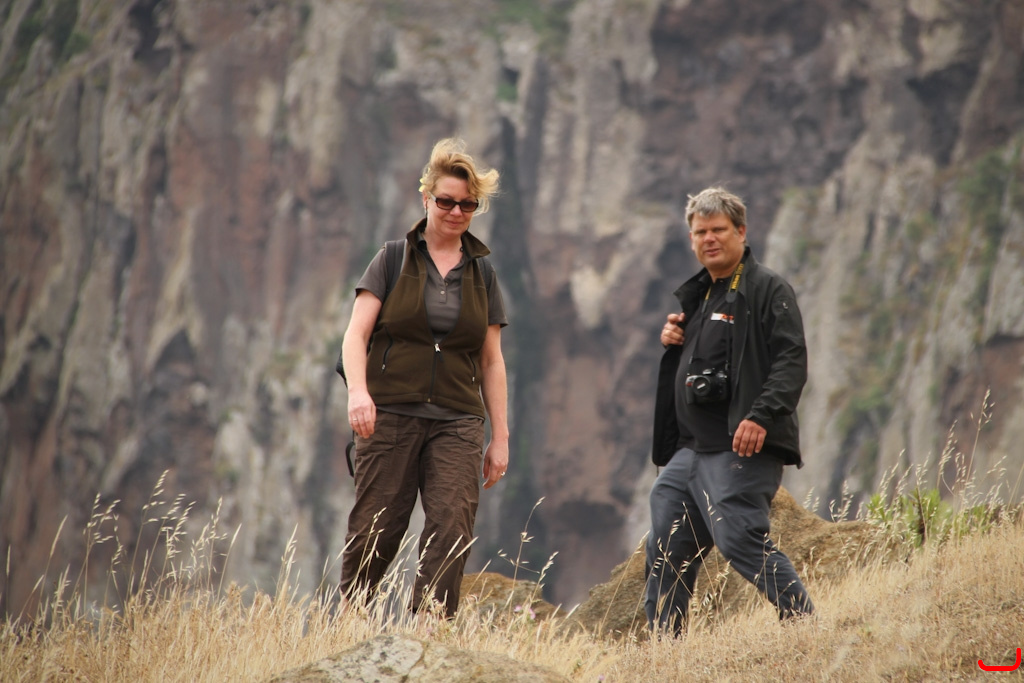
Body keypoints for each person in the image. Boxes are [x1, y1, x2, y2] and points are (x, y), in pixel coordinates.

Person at [339, 137, 509, 618]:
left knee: (452, 526)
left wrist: (500, 437)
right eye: (446, 201)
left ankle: (431, 631)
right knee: (377, 528)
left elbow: (492, 360)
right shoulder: (392, 258)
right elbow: (356, 335)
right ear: (426, 198)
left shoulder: (483, 274)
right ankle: (351, 621)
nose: (456, 212)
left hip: (458, 419)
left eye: (467, 205)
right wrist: (358, 393)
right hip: (389, 414)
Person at [645, 186, 814, 635]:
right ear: (691, 239)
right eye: (700, 232)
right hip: (690, 451)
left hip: (738, 446)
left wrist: (761, 415)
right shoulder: (702, 295)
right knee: (665, 546)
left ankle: (804, 625)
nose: (709, 239)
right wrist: (675, 344)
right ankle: (664, 649)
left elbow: (791, 359)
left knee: (740, 538)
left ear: (741, 231)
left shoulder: (766, 289)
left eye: (718, 229)